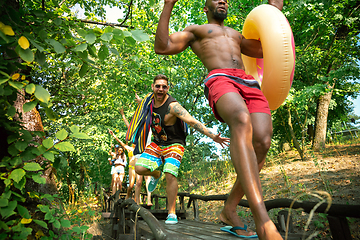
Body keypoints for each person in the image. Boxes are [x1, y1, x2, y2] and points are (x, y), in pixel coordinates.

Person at [154, 0, 284, 239]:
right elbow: (163, 46)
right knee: (241, 119)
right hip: (220, 78)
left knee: (263, 142)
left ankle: (229, 208)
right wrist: (168, 4)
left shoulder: (237, 34)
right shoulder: (197, 30)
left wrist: (275, 10)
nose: (223, 0)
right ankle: (263, 220)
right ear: (206, 6)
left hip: (248, 81)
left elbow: (268, 48)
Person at [135, 74, 230, 224]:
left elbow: (192, 121)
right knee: (139, 168)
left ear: (168, 88)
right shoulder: (148, 102)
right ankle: (156, 173)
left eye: (164, 86)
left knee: (170, 172)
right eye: (158, 86)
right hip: (157, 143)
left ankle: (171, 213)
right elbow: (144, 107)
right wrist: (140, 102)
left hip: (175, 143)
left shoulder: (173, 107)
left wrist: (213, 137)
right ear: (153, 87)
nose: (160, 89)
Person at [119, 106, 153, 206]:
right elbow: (128, 126)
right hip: (138, 156)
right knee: (138, 182)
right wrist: (123, 115)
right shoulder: (136, 132)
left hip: (148, 155)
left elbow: (151, 113)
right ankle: (137, 202)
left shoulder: (150, 130)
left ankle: (149, 199)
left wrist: (141, 104)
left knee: (148, 178)